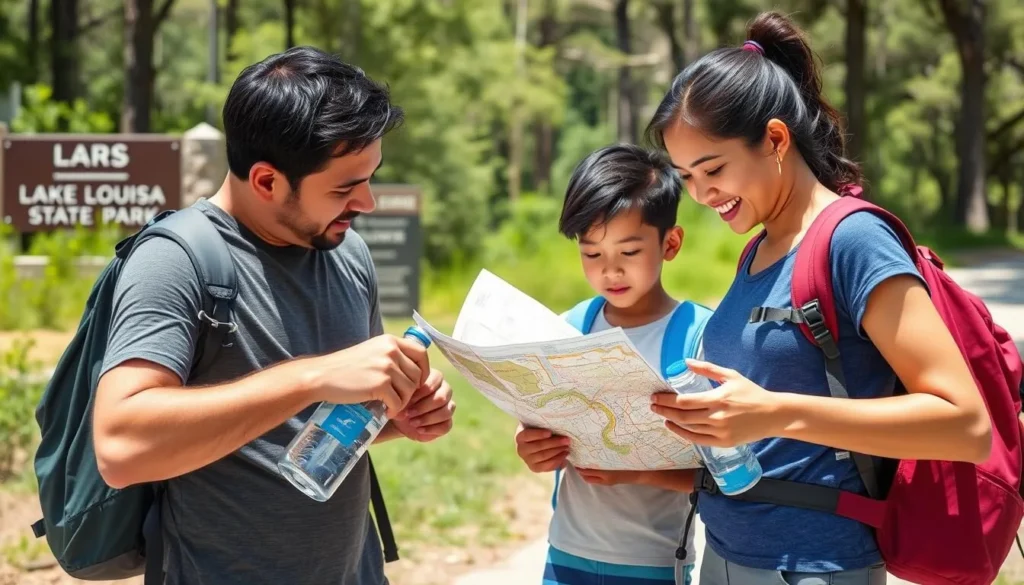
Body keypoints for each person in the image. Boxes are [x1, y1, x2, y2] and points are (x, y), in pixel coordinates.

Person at [643, 11, 991, 585]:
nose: (702, 195)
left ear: (775, 139)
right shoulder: (756, 250)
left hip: (814, 567)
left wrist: (777, 412)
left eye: (713, 169)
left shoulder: (852, 239)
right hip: (725, 557)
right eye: (687, 177)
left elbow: (964, 425)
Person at [91, 46, 457, 585]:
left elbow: (297, 431)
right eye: (345, 187)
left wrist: (394, 416)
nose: (368, 204)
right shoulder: (173, 260)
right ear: (266, 181)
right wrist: (313, 377)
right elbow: (120, 447)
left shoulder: (347, 251)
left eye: (370, 178)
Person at [514, 144, 710, 585]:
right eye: (592, 254)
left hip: (654, 564)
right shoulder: (570, 328)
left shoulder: (698, 336)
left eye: (629, 252)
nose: (610, 272)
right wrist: (532, 446)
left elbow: (719, 471)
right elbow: (544, 420)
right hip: (565, 555)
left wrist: (636, 470)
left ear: (670, 243)